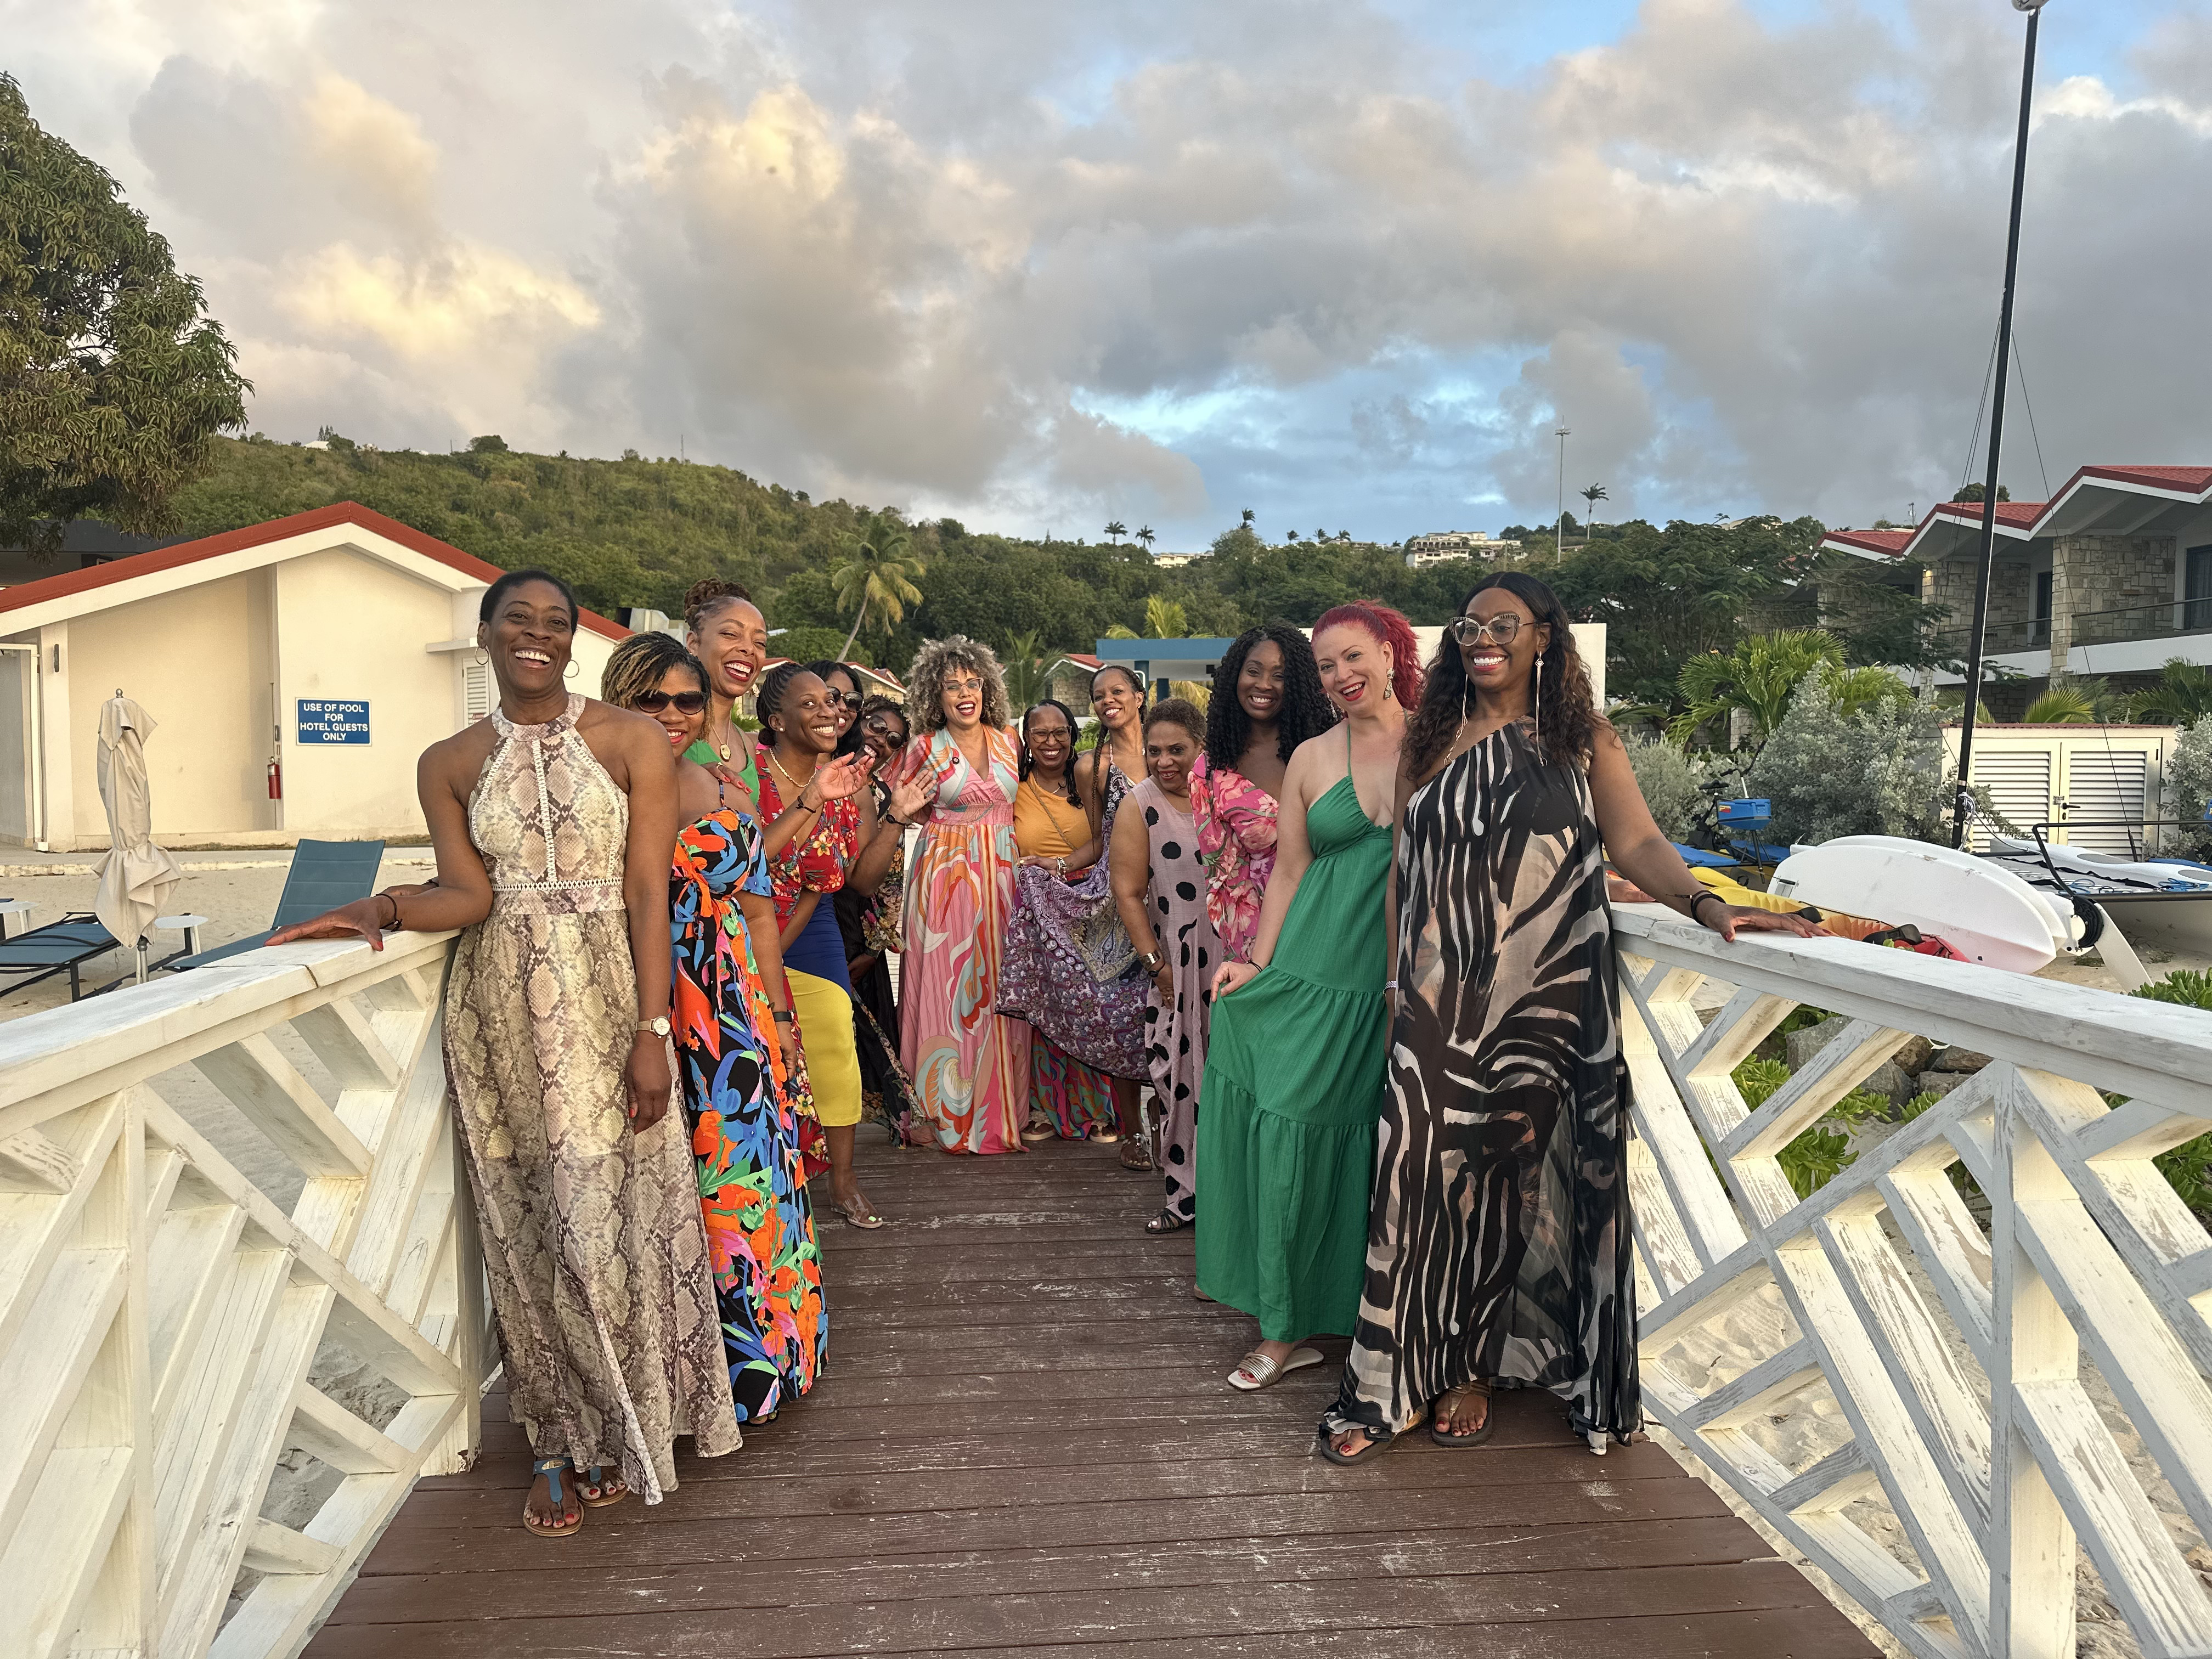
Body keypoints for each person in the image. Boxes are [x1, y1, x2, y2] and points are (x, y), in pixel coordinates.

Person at [269, 568, 739, 1537]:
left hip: (613, 1001)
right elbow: (469, 894)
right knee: (529, 1227)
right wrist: (386, 906)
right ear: (484, 635)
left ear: (575, 642)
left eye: (556, 622)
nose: (537, 634)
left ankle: (632, 1417)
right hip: (501, 1017)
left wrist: (653, 1032)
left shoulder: (631, 738)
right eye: (517, 619)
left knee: (615, 1218)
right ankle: (555, 1441)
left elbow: (649, 893)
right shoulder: (446, 759)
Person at [1318, 575, 1823, 1463]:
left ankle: (1472, 1370)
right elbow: (1405, 864)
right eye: (1470, 625)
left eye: (1503, 624)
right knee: (1414, 1181)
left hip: (1546, 991)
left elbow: (1635, 843)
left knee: (1515, 1183)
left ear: (1545, 637)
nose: (1483, 638)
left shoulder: (1582, 740)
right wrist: (1399, 979)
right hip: (1438, 995)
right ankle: (1392, 1377)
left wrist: (1708, 905)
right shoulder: (1429, 740)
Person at [1196, 601, 1420, 1392]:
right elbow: (1289, 871)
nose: (1341, 676)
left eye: (1354, 657)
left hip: (1404, 984)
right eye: (1326, 666)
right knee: (1290, 1135)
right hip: (1313, 972)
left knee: (1379, 1154)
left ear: (1393, 654)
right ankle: (1283, 1327)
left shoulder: (1443, 742)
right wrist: (1256, 964)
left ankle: (1370, 1318)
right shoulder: (1313, 757)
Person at [600, 631, 822, 1423]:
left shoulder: (720, 785)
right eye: (649, 698)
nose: (669, 713)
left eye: (685, 700)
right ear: (617, 700)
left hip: (733, 1015)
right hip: (647, 1005)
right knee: (661, 1190)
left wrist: (780, 1018)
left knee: (745, 1182)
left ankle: (761, 1368)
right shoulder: (601, 784)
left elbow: (761, 913)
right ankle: (676, 1379)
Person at [754, 664, 926, 1226]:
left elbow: (856, 880)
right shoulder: (745, 771)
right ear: (775, 720)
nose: (833, 712)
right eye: (814, 704)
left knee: (834, 1043)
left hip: (809, 923)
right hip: (738, 921)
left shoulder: (850, 783)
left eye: (835, 702)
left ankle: (844, 1181)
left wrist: (897, 817)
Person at [997, 664, 1153, 1166]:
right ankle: (1134, 1133)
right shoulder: (1093, 766)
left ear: (1139, 696)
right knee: (1122, 1012)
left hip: (1178, 888)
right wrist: (1056, 867)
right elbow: (1101, 840)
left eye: (1118, 692)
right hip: (1116, 896)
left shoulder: (1174, 747)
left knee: (1182, 1005)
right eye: (1099, 695)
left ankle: (1182, 1127)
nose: (1109, 701)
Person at [891, 636, 1029, 1155]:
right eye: (952, 686)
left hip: (1004, 872)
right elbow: (904, 811)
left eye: (972, 683)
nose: (964, 693)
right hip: (945, 874)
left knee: (999, 984)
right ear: (936, 695)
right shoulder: (924, 748)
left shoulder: (1011, 742)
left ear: (987, 688)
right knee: (947, 989)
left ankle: (1000, 1110)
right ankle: (940, 1112)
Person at [1110, 698, 1220, 1235]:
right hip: (1178, 960)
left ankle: (1235, 1194)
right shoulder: (1140, 803)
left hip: (1238, 958)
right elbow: (1127, 893)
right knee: (1180, 1082)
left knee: (1234, 1078)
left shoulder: (1227, 791)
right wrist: (1157, 965)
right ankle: (1184, 1198)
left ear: (1202, 746)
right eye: (1154, 751)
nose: (1164, 761)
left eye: (1177, 749)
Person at [1007, 698, 1120, 1143]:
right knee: (1046, 1005)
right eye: (1040, 733)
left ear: (1074, 736)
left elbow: (1106, 836)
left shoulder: (1086, 779)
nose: (1051, 741)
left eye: (1060, 732)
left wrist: (1060, 866)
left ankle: (1098, 1110)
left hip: (1089, 901)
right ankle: (1044, 1108)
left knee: (1094, 1004)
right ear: (1027, 739)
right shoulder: (1014, 785)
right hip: (1035, 907)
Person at [1193, 625, 1335, 965]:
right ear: (1234, 677)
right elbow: (1223, 879)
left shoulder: (1330, 751)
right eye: (1253, 671)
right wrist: (1261, 960)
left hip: (1340, 923)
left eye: (1280, 675)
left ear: (1300, 684)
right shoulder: (1210, 772)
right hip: (1261, 946)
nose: (1263, 685)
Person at [839, 694, 923, 1143]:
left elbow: (890, 882)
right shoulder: (815, 769)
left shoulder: (883, 796)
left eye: (894, 739)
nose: (881, 740)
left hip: (856, 925)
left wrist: (873, 949)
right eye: (875, 726)